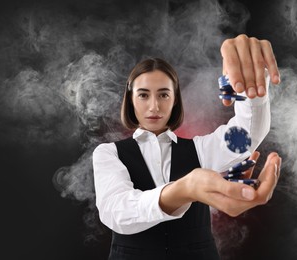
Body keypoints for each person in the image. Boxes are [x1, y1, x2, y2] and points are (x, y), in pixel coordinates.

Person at [92, 34, 282, 259]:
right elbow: (116, 211)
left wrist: (248, 82)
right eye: (143, 95)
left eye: (163, 94)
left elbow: (246, 134)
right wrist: (184, 189)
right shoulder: (108, 153)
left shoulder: (200, 150)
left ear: (174, 101)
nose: (154, 106)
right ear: (131, 100)